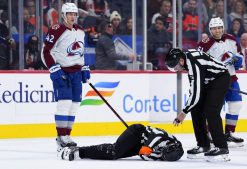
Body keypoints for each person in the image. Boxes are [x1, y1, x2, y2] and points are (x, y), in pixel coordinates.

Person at [166, 48, 240, 162]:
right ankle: (203, 144)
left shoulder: (193, 64)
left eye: (176, 67)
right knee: (196, 108)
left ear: (181, 60)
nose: (177, 70)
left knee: (211, 111)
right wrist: (188, 108)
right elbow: (194, 90)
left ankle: (221, 147)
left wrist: (183, 112)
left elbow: (196, 93)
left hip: (220, 78)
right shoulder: (187, 61)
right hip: (208, 80)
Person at [41, 3, 90, 151]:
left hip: (76, 74)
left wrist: (84, 67)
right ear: (63, 15)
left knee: (74, 105)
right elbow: (46, 51)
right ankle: (61, 137)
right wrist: (54, 69)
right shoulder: (57, 30)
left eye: (75, 14)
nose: (72, 17)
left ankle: (67, 136)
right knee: (65, 103)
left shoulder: (81, 30)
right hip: (62, 73)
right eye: (69, 14)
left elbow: (80, 51)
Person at [196, 17, 244, 149]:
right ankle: (211, 134)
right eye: (214, 28)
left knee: (236, 104)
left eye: (219, 28)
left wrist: (237, 60)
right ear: (210, 29)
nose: (217, 30)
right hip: (215, 82)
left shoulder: (232, 39)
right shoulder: (204, 44)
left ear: (223, 28)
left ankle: (228, 133)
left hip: (231, 79)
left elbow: (239, 56)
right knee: (214, 110)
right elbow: (199, 63)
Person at [58, 124, 184, 161]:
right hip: (137, 133)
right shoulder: (164, 138)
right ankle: (78, 152)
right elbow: (155, 136)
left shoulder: (164, 154)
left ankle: (80, 151)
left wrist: (151, 152)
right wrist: (148, 148)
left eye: (163, 155)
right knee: (114, 150)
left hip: (140, 144)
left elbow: (145, 155)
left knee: (114, 154)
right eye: (162, 151)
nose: (161, 153)